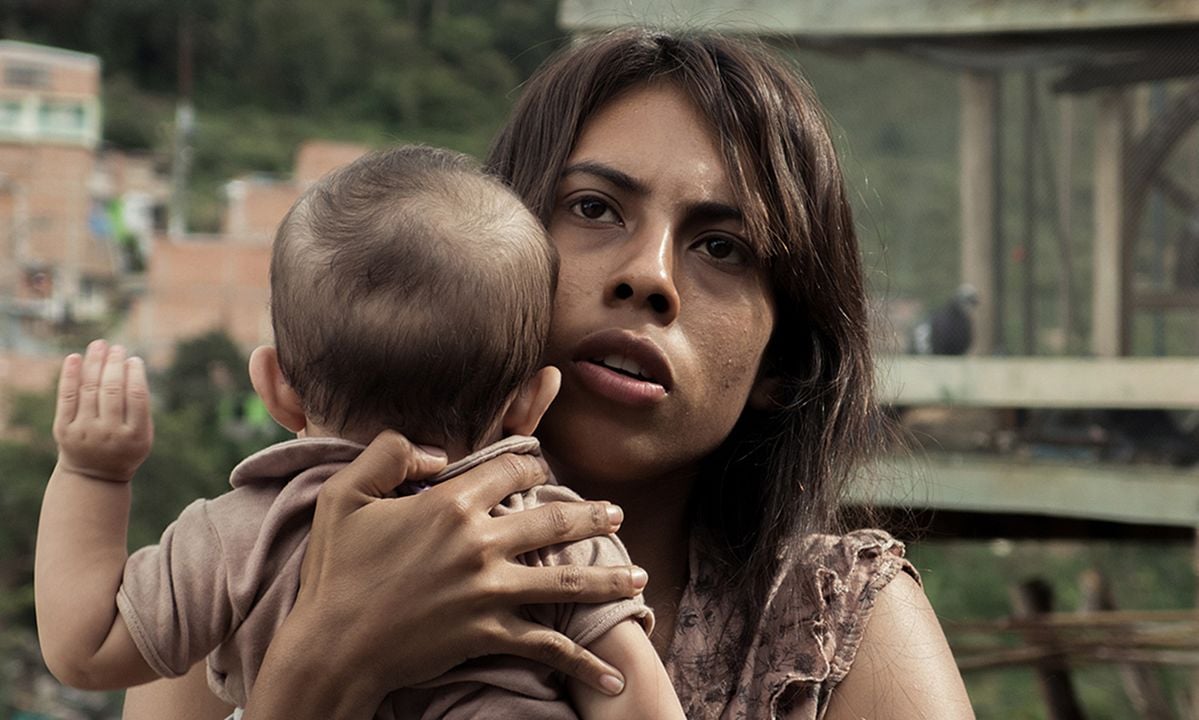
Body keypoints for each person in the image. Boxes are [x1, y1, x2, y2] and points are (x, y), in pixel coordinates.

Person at [126, 28, 975, 720]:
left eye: (721, 247)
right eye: (594, 207)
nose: (648, 275)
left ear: (780, 366)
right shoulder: (238, 579)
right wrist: (320, 662)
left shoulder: (839, 632)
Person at [35, 146, 685, 719]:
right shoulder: (551, 538)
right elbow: (636, 701)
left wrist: (94, 473)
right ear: (530, 403)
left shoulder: (240, 539)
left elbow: (84, 651)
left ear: (274, 386)